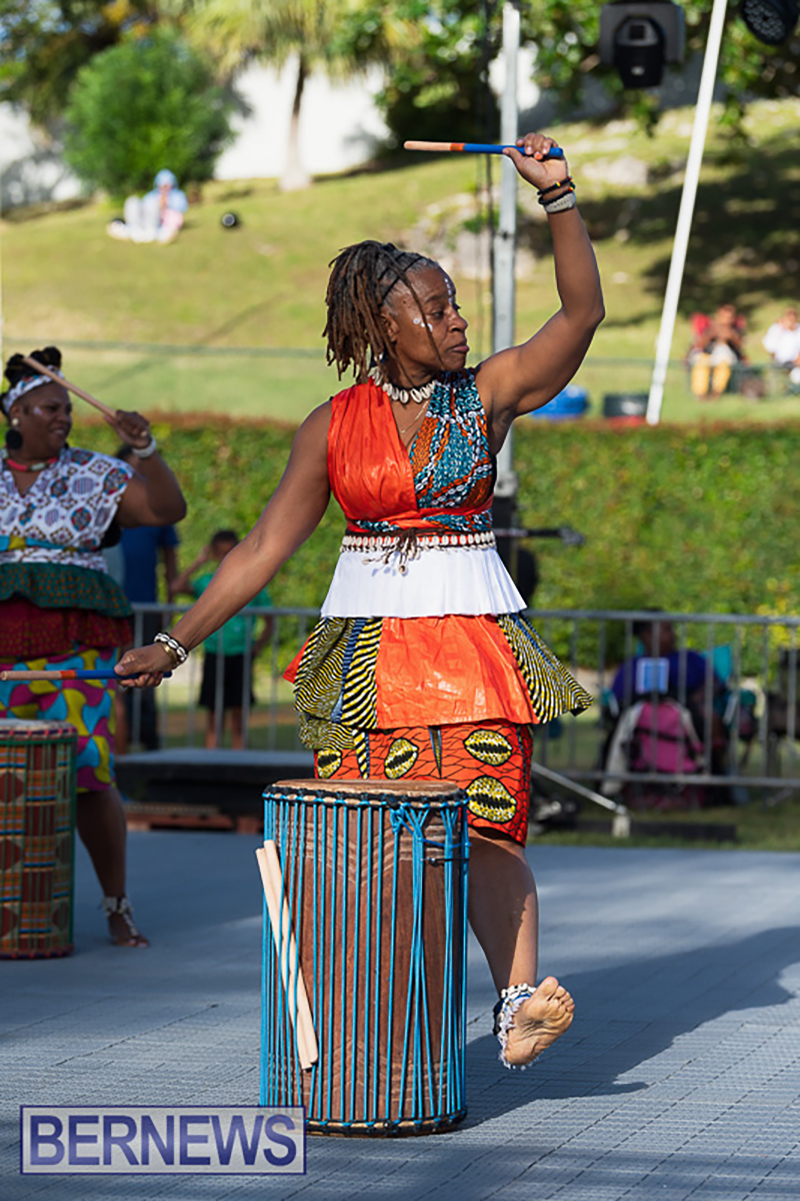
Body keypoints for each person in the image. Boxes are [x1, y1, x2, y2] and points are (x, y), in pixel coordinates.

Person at [119, 131, 603, 1068]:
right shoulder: (331, 427)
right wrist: (176, 645)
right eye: (436, 308)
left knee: (487, 828)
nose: (458, 321)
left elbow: (579, 315)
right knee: (369, 852)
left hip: (470, 648)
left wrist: (559, 195)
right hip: (368, 661)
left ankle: (514, 1004)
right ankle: (367, 1031)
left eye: (457, 304)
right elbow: (262, 547)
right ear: (385, 325)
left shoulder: (490, 394)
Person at [0, 346, 187, 946]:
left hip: (74, 651)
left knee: (89, 772)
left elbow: (167, 508)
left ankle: (115, 903)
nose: (63, 417)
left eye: (66, 409)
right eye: (49, 408)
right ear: (16, 414)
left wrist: (145, 450)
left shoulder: (93, 473)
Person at [171, 530, 272, 750]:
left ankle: (239, 758)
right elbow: (176, 587)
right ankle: (211, 758)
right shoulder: (207, 582)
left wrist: (257, 647)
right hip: (215, 653)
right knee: (214, 714)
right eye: (221, 554)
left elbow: (269, 620)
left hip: (240, 653)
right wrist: (199, 562)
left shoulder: (252, 581)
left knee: (238, 714)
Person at [115, 445, 180, 754]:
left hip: (146, 605)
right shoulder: (108, 504)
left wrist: (167, 605)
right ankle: (117, 745)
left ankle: (148, 743)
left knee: (147, 672)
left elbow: (170, 562)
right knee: (113, 675)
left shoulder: (158, 510)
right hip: (110, 607)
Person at [107, 169, 189, 245]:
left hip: (157, 226)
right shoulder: (152, 196)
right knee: (133, 201)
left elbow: (181, 208)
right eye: (162, 185)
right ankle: (135, 231)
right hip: (142, 224)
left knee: (154, 205)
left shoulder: (177, 196)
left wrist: (166, 205)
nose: (164, 188)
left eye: (166, 185)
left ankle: (150, 233)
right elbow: (143, 207)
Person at [688, 304, 746, 399]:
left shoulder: (735, 329)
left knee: (723, 362)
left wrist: (730, 336)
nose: (725, 320)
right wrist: (712, 333)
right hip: (708, 355)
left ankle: (716, 393)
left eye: (728, 317)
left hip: (726, 358)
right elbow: (700, 344)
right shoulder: (710, 327)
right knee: (701, 363)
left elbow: (740, 346)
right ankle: (700, 394)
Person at [762, 307, 800, 388]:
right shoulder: (776, 329)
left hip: (795, 361)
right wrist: (781, 331)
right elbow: (770, 347)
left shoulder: (798, 329)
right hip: (779, 360)